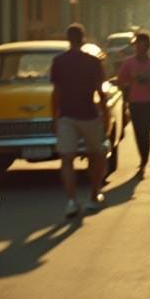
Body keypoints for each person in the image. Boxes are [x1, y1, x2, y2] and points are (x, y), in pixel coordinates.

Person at [50, 23, 109, 218]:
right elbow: (101, 92)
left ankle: (71, 201)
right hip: (89, 114)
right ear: (83, 38)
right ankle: (93, 195)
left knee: (67, 159)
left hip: (66, 115)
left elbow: (56, 92)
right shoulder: (93, 62)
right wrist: (106, 115)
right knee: (96, 155)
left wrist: (54, 117)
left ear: (68, 39)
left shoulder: (58, 61)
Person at [117, 31, 150, 176]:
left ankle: (144, 161)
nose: (139, 48)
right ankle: (142, 159)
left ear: (147, 46)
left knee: (146, 132)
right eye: (137, 44)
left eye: (143, 45)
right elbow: (120, 81)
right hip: (135, 102)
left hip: (149, 102)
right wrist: (129, 84)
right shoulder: (128, 63)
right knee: (138, 132)